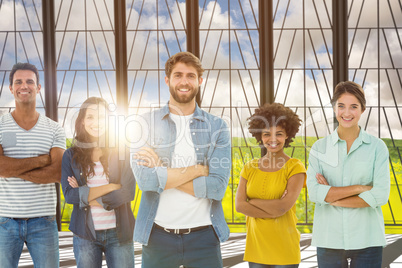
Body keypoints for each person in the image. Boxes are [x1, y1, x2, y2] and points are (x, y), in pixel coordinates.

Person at [131, 51, 231, 268]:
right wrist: (197, 170)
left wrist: (162, 170)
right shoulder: (144, 124)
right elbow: (146, 182)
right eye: (178, 75)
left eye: (190, 76)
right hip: (158, 237)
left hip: (205, 238)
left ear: (199, 81)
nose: (184, 81)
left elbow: (217, 188)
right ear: (167, 80)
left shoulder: (218, 127)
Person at [307, 81, 390, 268]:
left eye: (353, 106)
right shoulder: (319, 148)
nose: (346, 113)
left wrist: (332, 197)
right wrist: (360, 189)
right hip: (329, 239)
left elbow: (380, 195)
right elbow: (314, 193)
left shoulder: (377, 147)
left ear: (362, 109)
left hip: (368, 238)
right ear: (334, 108)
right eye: (341, 106)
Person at [0, 63, 66, 268]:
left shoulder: (54, 129)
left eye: (30, 81)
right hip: (5, 220)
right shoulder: (1, 126)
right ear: (11, 88)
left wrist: (12, 168)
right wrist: (41, 160)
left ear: (38, 88)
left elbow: (57, 172)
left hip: (43, 222)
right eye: (18, 82)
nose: (24, 86)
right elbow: (0, 168)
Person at [61, 97, 135, 268]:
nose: (96, 122)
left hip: (120, 234)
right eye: (90, 117)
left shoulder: (121, 150)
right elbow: (70, 195)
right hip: (85, 235)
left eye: (101, 117)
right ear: (82, 121)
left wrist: (85, 195)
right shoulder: (70, 155)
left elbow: (127, 192)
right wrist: (111, 187)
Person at [235, 103, 306, 268]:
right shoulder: (249, 167)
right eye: (267, 134)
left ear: (287, 135)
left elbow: (282, 208)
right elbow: (239, 206)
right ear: (260, 136)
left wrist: (251, 202)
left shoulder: (295, 167)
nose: (272, 140)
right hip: (256, 249)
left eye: (279, 134)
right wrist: (273, 209)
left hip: (285, 250)